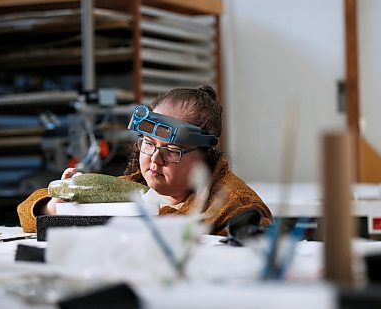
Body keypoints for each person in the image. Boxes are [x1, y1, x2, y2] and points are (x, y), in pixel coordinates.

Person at [17, 85, 273, 236]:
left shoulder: (235, 204)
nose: (154, 159)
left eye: (172, 150)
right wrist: (55, 208)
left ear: (204, 154)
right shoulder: (136, 187)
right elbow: (25, 215)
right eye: (148, 144)